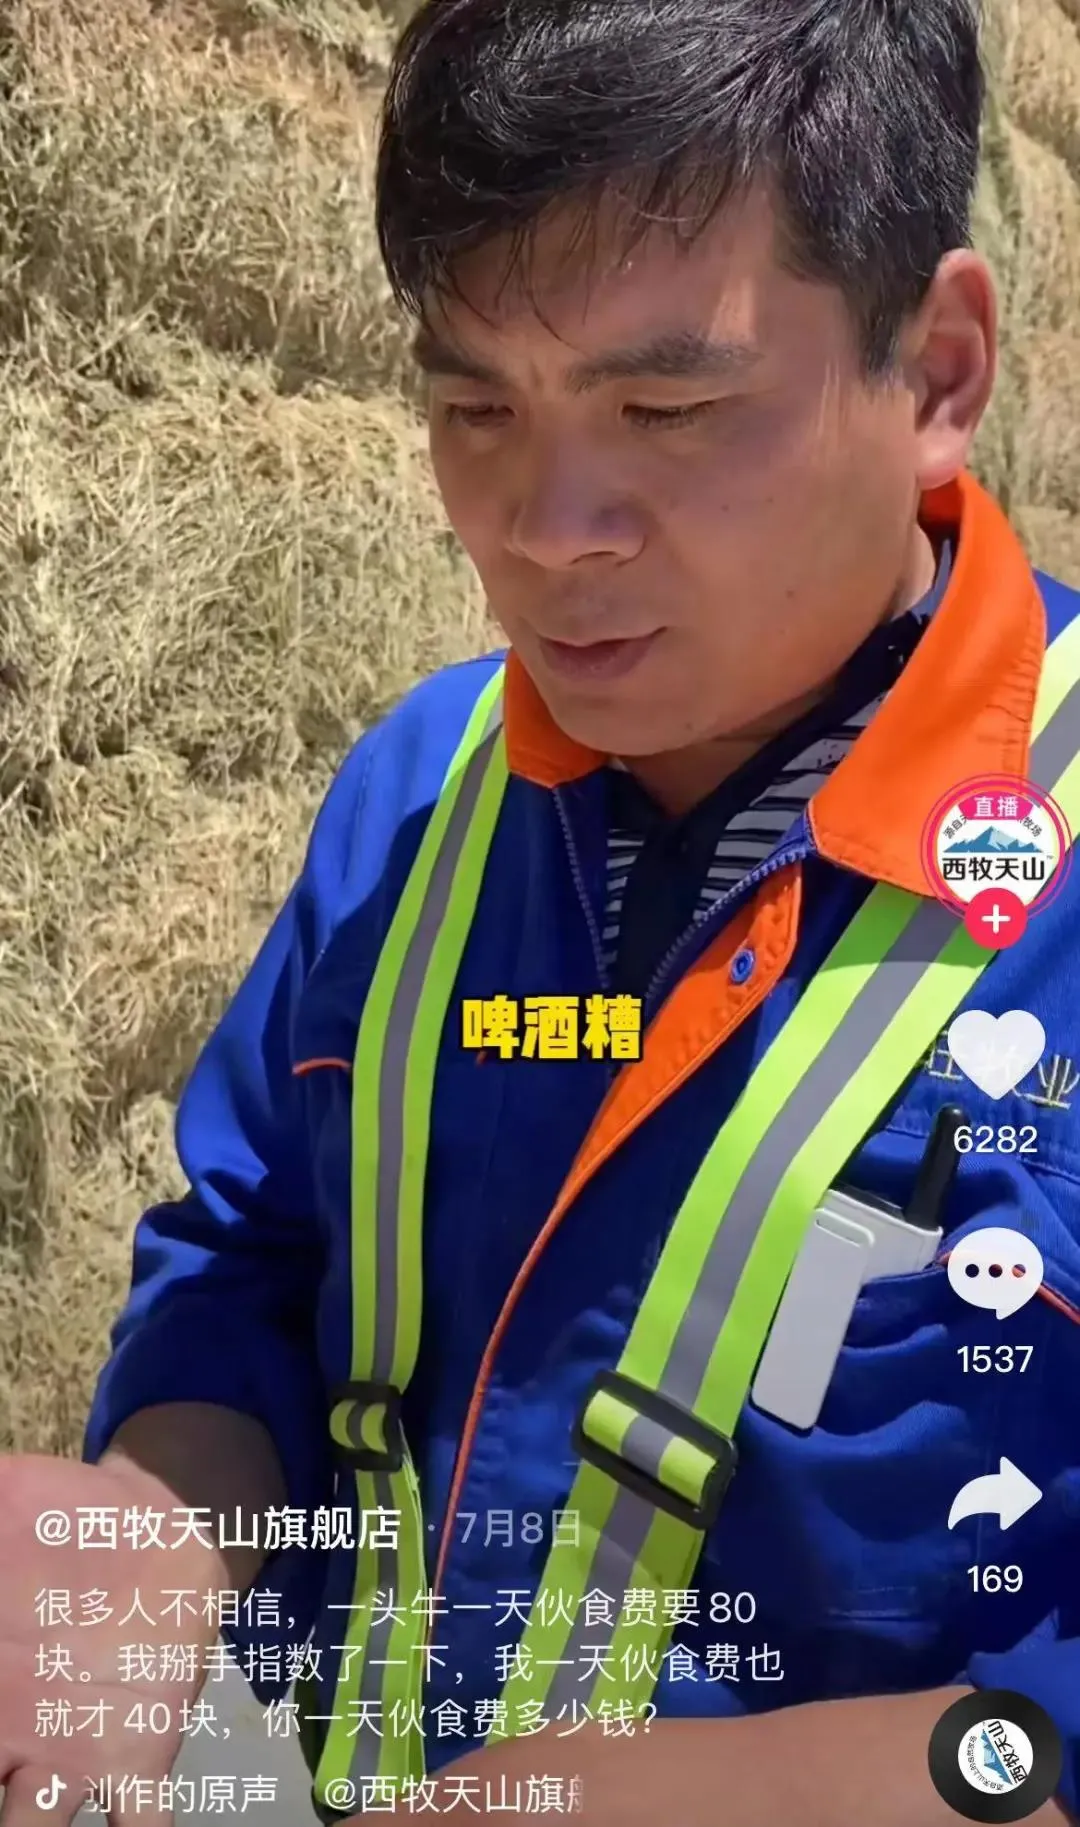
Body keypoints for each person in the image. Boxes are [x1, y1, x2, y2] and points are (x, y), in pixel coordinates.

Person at [2, 1, 1079, 1822]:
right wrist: (154, 1536)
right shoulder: (418, 797)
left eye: (668, 409)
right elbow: (250, 1265)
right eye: (474, 406)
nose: (546, 525)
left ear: (941, 373)